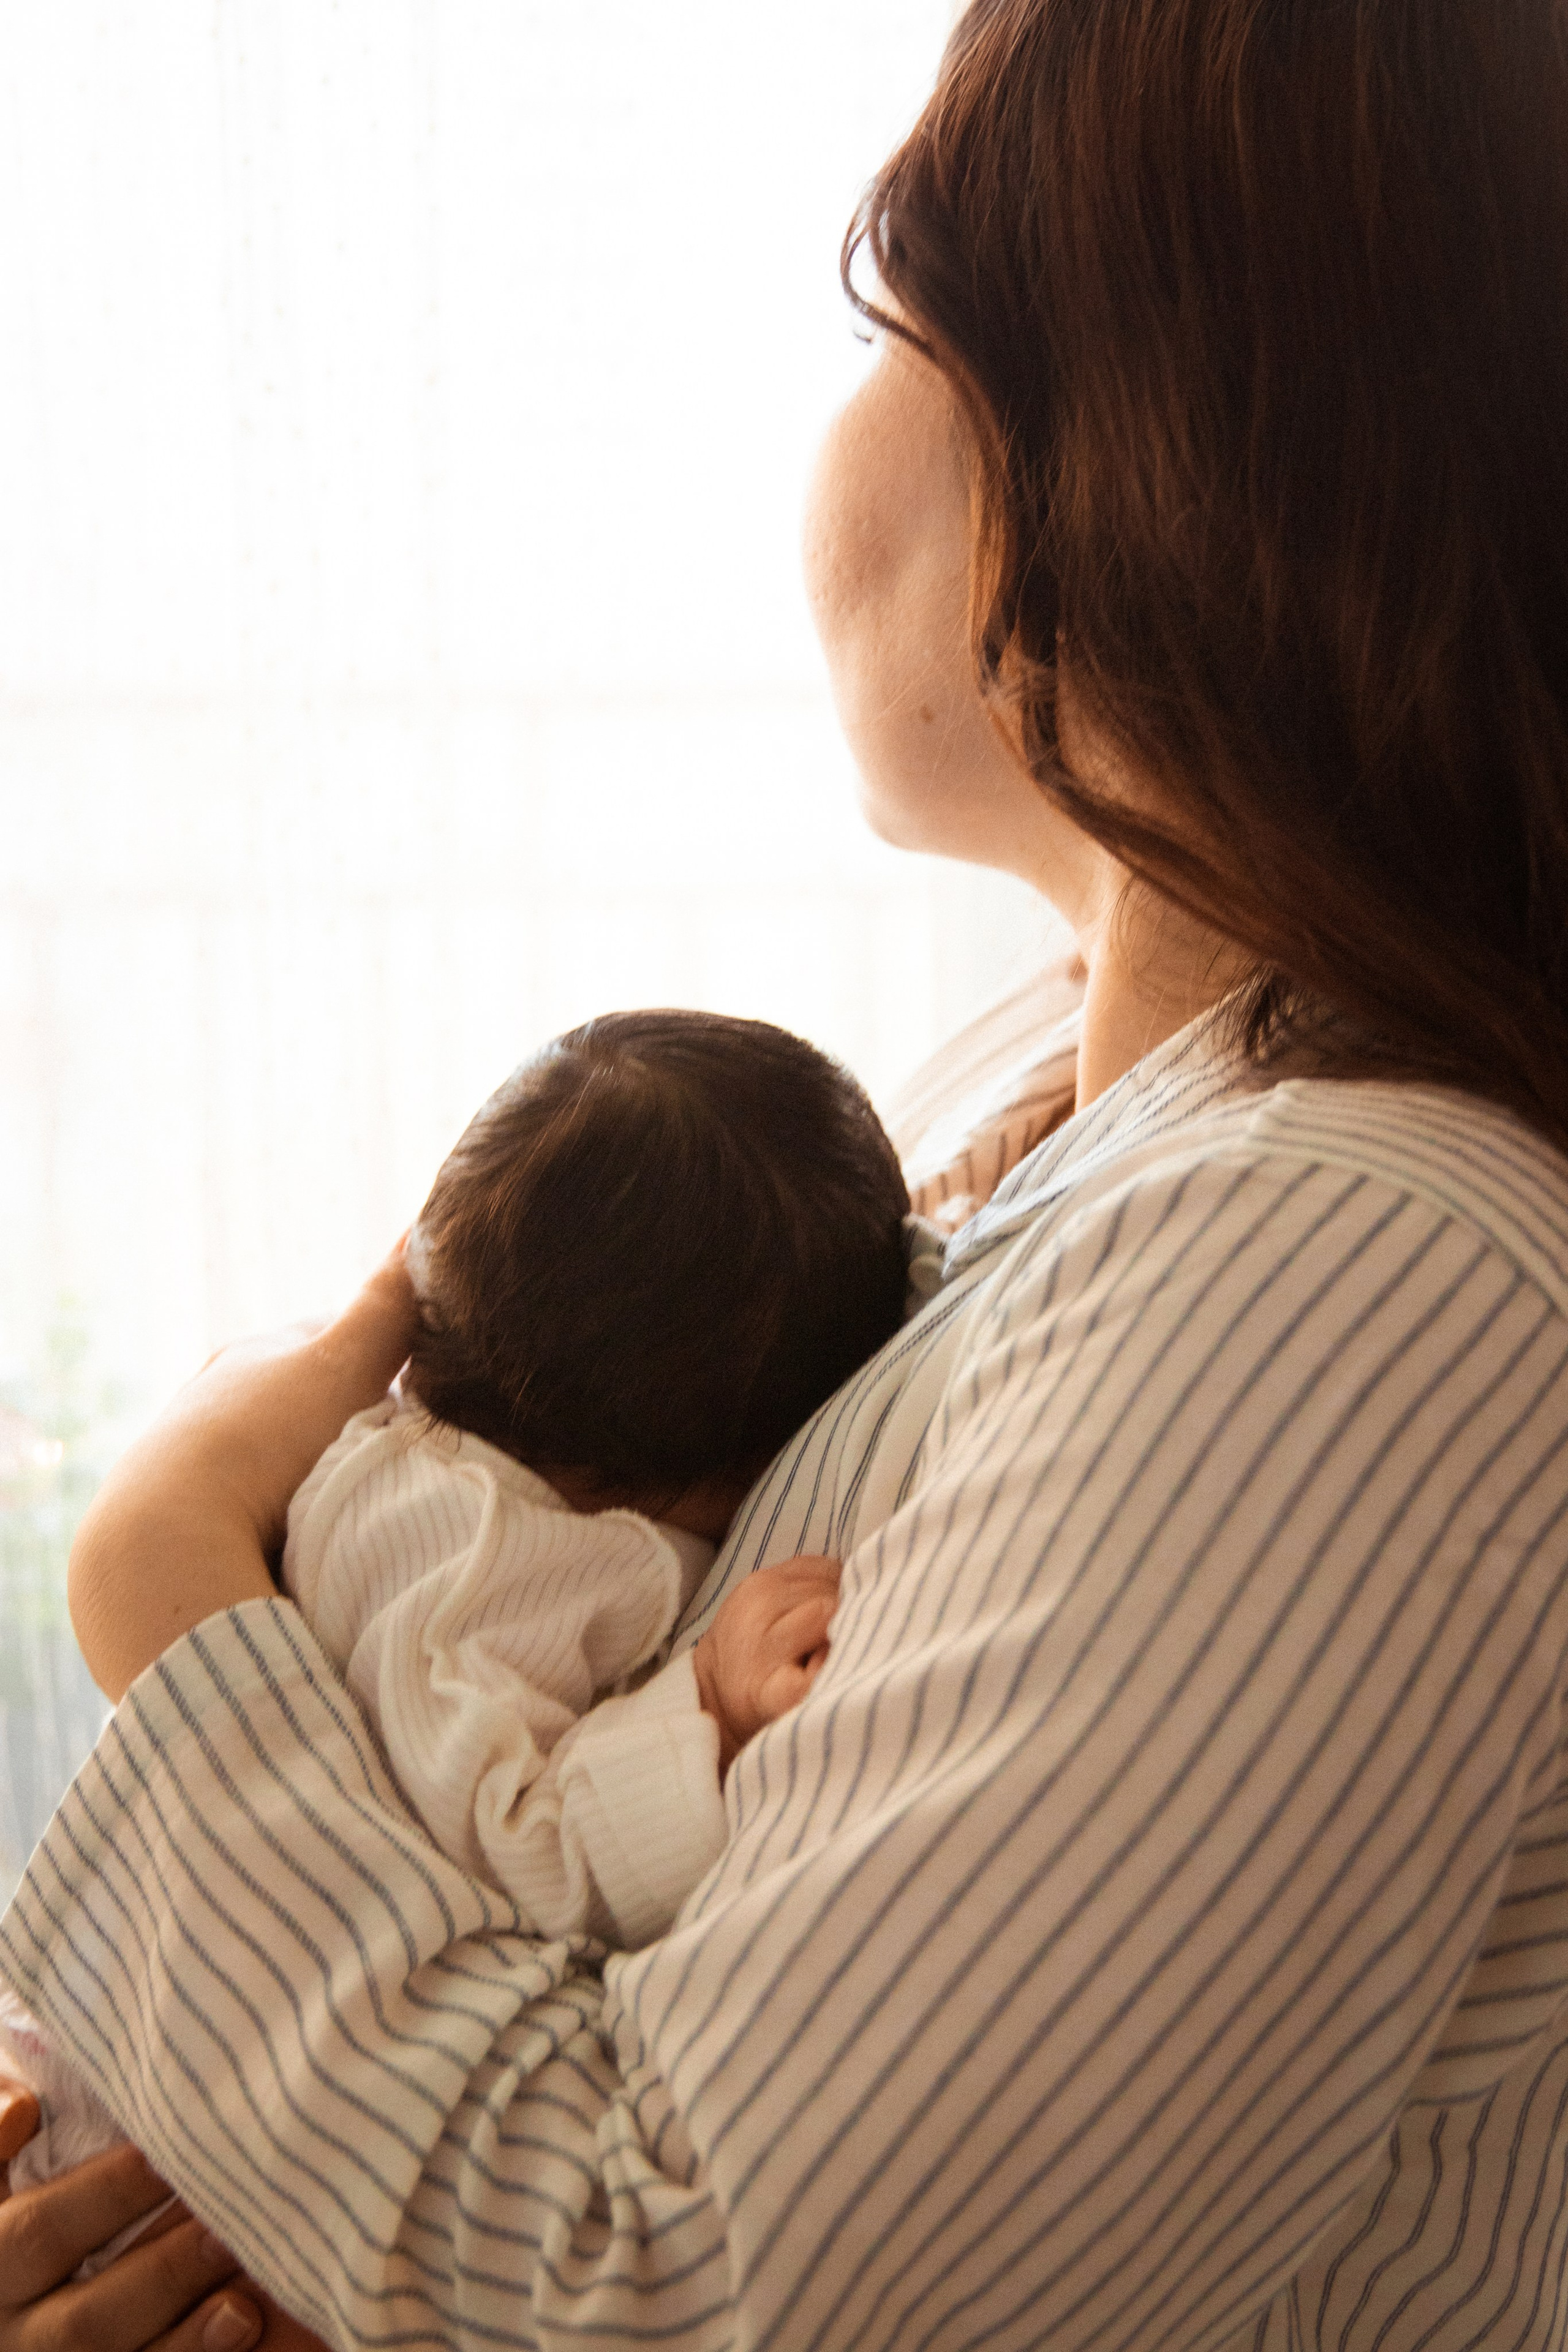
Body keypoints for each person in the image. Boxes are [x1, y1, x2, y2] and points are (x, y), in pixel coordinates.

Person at [7, 1, 1568, 2347]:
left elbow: (696, 2287)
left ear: (1145, 438)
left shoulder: (1351, 1262)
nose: (837, 413)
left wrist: (165, 1604)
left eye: (893, 319)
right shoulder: (1046, 1127)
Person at [0, 1008, 915, 2200]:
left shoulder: (413, 1477)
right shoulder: (480, 1549)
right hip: (126, 2137)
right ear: (715, 1467)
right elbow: (512, 1860)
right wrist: (700, 1713)